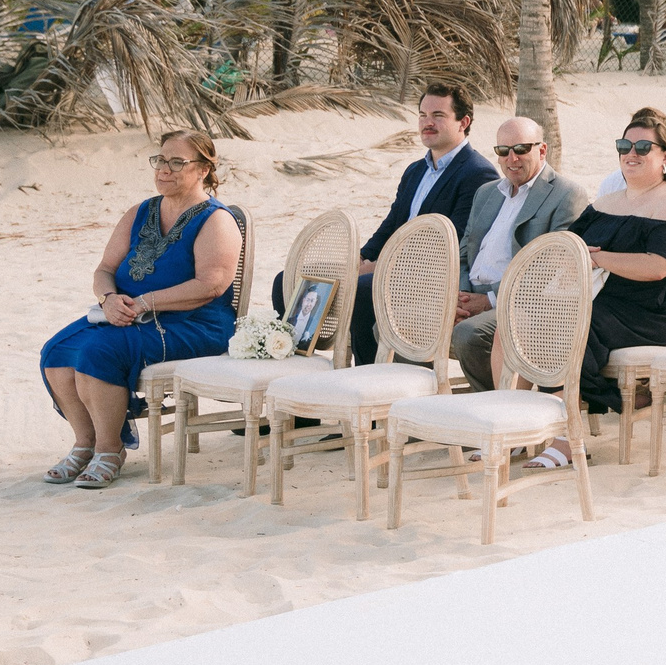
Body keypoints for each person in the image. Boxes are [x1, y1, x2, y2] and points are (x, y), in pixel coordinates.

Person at [39, 132, 244, 487]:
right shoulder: (140, 212)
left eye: (177, 162)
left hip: (193, 322)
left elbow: (211, 285)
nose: (164, 169)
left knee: (98, 352)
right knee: (56, 352)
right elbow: (104, 269)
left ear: (203, 170)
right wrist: (108, 299)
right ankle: (85, 444)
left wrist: (147, 303)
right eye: (160, 160)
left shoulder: (216, 220)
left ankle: (109, 448)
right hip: (126, 313)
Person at [285, 84, 495, 366]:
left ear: (463, 122)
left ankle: (370, 386)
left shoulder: (477, 173)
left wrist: (380, 266)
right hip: (392, 267)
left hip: (431, 278)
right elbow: (392, 224)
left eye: (438, 115)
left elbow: (452, 242)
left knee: (363, 290)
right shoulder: (415, 170)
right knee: (290, 280)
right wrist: (360, 257)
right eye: (422, 115)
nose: (427, 123)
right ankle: (303, 395)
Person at [553, 109, 666, 468]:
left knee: (576, 325)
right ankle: (520, 428)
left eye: (643, 146)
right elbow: (566, 250)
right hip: (601, 300)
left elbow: (657, 268)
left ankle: (565, 438)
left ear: (664, 157)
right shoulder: (604, 204)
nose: (632, 153)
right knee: (529, 318)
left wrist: (599, 258)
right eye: (625, 145)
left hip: (649, 310)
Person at [450, 118, 588, 390]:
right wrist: (461, 297)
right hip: (471, 294)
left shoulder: (567, 195)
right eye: (503, 151)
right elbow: (465, 251)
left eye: (521, 149)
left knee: (469, 335)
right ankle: (417, 418)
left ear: (542, 150)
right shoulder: (486, 193)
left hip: (521, 304)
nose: (511, 158)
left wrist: (489, 300)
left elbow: (551, 269)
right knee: (404, 319)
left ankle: (498, 414)